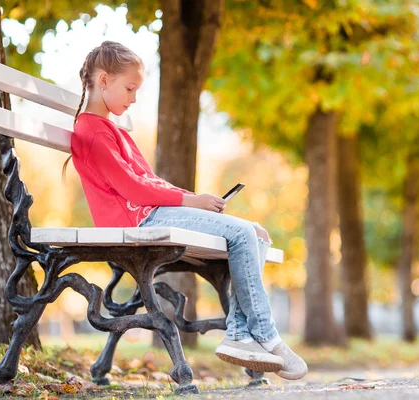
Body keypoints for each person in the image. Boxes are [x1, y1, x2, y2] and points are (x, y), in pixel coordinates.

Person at [63, 41, 307, 380]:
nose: (134, 98)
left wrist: (202, 203)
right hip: (138, 219)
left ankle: (238, 334)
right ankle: (265, 335)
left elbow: (153, 182)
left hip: (151, 213)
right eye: (130, 89)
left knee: (251, 234)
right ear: (103, 79)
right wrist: (194, 202)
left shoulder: (114, 131)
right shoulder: (90, 131)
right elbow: (134, 190)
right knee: (243, 234)